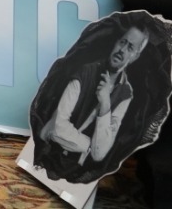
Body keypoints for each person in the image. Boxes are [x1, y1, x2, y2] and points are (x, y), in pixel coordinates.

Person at [34, 24, 150, 183]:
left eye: (130, 47)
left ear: (135, 56)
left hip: (75, 171)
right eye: (122, 42)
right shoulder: (86, 71)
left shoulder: (126, 94)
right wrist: (89, 146)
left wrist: (105, 102)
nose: (122, 50)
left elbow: (99, 154)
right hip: (46, 153)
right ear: (116, 42)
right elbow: (58, 127)